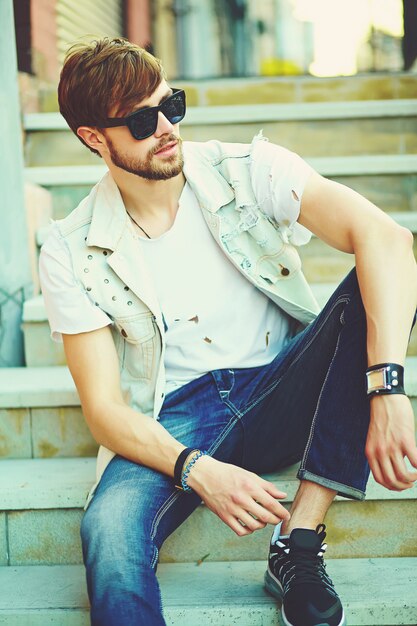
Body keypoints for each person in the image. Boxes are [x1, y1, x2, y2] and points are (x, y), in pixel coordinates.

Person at [39, 37, 417, 626]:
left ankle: (299, 537)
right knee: (108, 536)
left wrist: (387, 389)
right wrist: (194, 468)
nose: (165, 127)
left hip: (280, 387)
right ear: (94, 138)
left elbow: (389, 241)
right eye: (141, 120)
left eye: (172, 105)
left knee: (376, 275)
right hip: (177, 418)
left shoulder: (246, 169)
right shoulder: (71, 247)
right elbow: (105, 409)